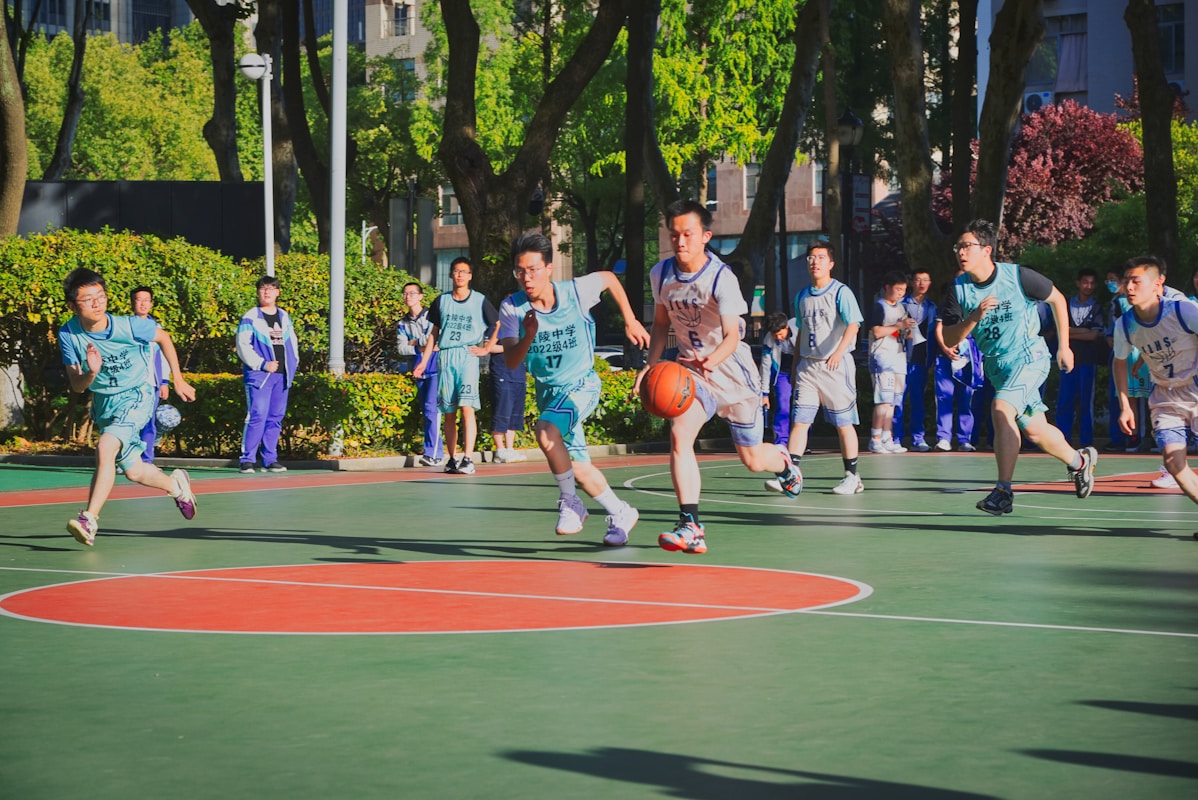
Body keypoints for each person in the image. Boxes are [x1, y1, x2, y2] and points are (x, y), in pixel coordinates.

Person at [644, 200, 803, 555]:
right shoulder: (661, 274)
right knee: (679, 436)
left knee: (752, 460)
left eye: (687, 234)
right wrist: (650, 365)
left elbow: (733, 336)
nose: (680, 241)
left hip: (732, 373)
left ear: (705, 237)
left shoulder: (721, 277)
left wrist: (710, 358)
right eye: (674, 234)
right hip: (693, 377)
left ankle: (784, 461)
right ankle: (690, 525)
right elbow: (659, 324)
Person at [499, 232, 649, 545]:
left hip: (582, 384)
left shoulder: (576, 291)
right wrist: (528, 335)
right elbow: (512, 361)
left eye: (533, 270)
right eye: (520, 271)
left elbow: (608, 278)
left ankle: (571, 503)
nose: (526, 278)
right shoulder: (511, 308)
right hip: (550, 394)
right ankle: (621, 512)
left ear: (549, 268)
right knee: (578, 468)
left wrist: (631, 319)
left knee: (545, 431)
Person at [940, 219, 1097, 515]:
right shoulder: (958, 290)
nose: (961, 251)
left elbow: (1058, 299)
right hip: (998, 367)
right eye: (958, 246)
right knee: (1035, 430)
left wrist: (1064, 346)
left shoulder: (1017, 276)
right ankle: (1080, 462)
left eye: (967, 246)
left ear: (986, 250)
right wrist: (974, 316)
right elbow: (949, 337)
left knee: (1001, 409)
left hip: (1029, 357)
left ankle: (1003, 491)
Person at [58, 267, 198, 546]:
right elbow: (77, 385)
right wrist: (92, 372)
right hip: (105, 403)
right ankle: (177, 487)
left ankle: (89, 519)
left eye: (101, 296)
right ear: (73, 305)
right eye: (88, 299)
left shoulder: (129, 325)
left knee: (105, 447)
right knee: (134, 471)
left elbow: (163, 337)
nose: (97, 303)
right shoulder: (69, 334)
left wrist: (179, 380)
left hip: (137, 395)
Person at [776, 239, 866, 495]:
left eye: (820, 258)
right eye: (811, 258)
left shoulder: (841, 292)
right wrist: (794, 366)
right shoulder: (802, 296)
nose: (815, 262)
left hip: (835, 366)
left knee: (843, 423)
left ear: (831, 263)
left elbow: (854, 324)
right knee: (800, 422)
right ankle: (790, 476)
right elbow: (802, 333)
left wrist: (838, 352)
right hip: (807, 366)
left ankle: (853, 476)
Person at [1112, 256, 1198, 509]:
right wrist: (1125, 406)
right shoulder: (1125, 324)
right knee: (1173, 463)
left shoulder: (1183, 311)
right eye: (1126, 281)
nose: (1129, 287)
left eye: (1136, 281)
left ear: (1157, 284)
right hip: (1165, 396)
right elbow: (1119, 362)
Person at [413, 257, 499, 475]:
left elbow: (497, 324)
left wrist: (487, 347)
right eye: (456, 271)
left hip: (467, 355)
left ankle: (468, 458)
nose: (460, 274)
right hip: (446, 356)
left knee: (467, 408)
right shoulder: (442, 301)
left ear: (470, 276)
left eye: (464, 271)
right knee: (448, 411)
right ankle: (452, 458)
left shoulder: (479, 300)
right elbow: (434, 334)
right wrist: (423, 363)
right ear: (451, 275)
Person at [236, 275, 299, 474]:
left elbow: (293, 344)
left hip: (282, 376)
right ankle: (247, 460)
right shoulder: (250, 317)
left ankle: (270, 459)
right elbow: (243, 345)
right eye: (263, 288)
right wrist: (262, 364)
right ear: (258, 292)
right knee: (257, 416)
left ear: (277, 292)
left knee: (275, 417)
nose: (267, 292)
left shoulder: (284, 316)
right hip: (260, 376)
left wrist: (293, 365)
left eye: (271, 288)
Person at [1054, 268, 1107, 447]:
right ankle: (1061, 440)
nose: (1088, 286)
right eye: (1085, 282)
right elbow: (1060, 330)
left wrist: (1069, 332)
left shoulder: (1098, 307)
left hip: (1088, 361)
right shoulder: (1066, 304)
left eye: (1092, 283)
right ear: (1078, 283)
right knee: (1064, 401)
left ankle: (1086, 442)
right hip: (1068, 360)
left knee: (1086, 403)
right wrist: (1083, 331)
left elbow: (1094, 335)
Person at [868, 270, 917, 453]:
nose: (901, 293)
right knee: (883, 400)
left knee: (893, 402)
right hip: (882, 357)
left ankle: (887, 437)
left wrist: (908, 330)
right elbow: (877, 332)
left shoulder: (902, 308)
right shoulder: (880, 306)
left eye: (903, 290)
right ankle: (875, 438)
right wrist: (898, 326)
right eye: (898, 289)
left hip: (898, 358)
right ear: (887, 287)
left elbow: (905, 331)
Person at [932, 268, 980, 452]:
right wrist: (945, 348)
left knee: (965, 398)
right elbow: (939, 327)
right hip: (945, 358)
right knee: (944, 397)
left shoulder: (976, 303)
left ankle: (964, 439)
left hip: (968, 359)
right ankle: (943, 438)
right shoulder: (947, 302)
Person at [397, 281, 445, 466]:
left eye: (411, 293)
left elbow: (437, 340)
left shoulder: (431, 317)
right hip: (419, 370)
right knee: (427, 410)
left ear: (420, 296)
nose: (408, 296)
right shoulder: (403, 322)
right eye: (405, 293)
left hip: (436, 369)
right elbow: (401, 348)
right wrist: (421, 345)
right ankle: (433, 450)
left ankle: (434, 453)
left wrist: (416, 342)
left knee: (432, 409)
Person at [893, 268, 935, 451]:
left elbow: (935, 335)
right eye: (918, 280)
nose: (922, 283)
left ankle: (918, 439)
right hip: (900, 358)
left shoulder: (933, 307)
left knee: (918, 401)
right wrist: (902, 329)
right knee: (897, 401)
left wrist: (931, 360)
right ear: (912, 282)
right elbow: (890, 330)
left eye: (925, 280)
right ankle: (895, 438)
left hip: (921, 361)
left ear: (930, 283)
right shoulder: (900, 304)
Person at [130, 286, 170, 464]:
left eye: (147, 300)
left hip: (151, 384)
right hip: (130, 384)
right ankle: (127, 460)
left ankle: (147, 462)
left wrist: (164, 382)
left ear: (151, 304)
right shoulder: (125, 327)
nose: (143, 303)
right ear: (133, 303)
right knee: (129, 423)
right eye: (139, 299)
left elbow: (164, 357)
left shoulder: (157, 328)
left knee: (149, 422)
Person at [488, 294, 529, 463]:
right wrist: (511, 347)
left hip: (518, 375)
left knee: (515, 414)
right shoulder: (498, 325)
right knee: (501, 412)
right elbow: (489, 347)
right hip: (502, 374)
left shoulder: (524, 325)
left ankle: (510, 449)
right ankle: (500, 450)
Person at [757, 311, 797, 447]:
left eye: (780, 334)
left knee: (801, 406)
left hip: (801, 370)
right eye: (775, 335)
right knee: (782, 403)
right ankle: (781, 442)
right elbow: (765, 366)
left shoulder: (799, 328)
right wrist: (764, 394)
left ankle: (801, 442)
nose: (778, 338)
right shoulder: (769, 339)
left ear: (786, 327)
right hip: (782, 372)